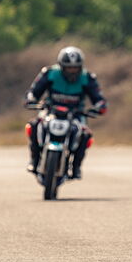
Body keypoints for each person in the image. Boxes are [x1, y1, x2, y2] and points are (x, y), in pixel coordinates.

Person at [24, 46, 107, 179]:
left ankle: (76, 166)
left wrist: (100, 106)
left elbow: (98, 97)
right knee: (34, 126)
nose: (72, 71)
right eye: (68, 67)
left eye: (75, 67)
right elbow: (34, 91)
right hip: (50, 111)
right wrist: (31, 99)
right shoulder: (49, 73)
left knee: (85, 134)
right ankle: (34, 160)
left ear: (80, 67)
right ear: (61, 66)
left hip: (76, 114)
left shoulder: (87, 78)